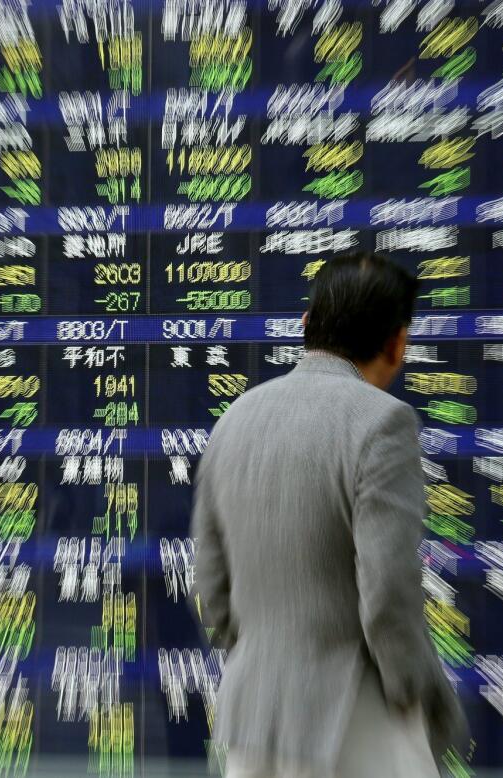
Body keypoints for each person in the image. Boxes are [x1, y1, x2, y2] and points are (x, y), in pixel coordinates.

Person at [190, 251, 469, 778]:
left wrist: (260, 654)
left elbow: (209, 583)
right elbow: (387, 594)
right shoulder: (383, 422)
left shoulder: (235, 419)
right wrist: (417, 693)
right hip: (356, 723)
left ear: (305, 325)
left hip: (253, 725)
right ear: (397, 343)